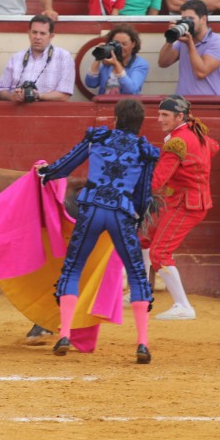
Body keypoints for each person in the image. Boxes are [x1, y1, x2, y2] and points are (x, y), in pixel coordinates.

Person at [39, 98, 159, 362]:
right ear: (140, 124)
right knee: (137, 275)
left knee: (72, 268)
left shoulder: (98, 139)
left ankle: (65, 334)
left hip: (91, 209)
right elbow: (143, 194)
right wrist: (136, 220)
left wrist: (44, 173)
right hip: (121, 213)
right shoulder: (143, 150)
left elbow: (65, 166)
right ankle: (142, 343)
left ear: (115, 119)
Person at [142, 94, 219, 320]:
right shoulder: (196, 133)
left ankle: (183, 305)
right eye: (159, 114)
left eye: (165, 115)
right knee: (145, 237)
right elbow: (214, 146)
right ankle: (141, 292)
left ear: (179, 116)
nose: (159, 119)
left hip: (185, 203)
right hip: (184, 200)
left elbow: (156, 182)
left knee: (160, 253)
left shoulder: (177, 142)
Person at [0, 14, 74, 102]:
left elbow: (64, 95)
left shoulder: (64, 57)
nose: (37, 37)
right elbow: (0, 92)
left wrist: (37, 95)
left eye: (42, 33)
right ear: (29, 33)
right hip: (18, 111)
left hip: (48, 113)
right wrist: (13, 96)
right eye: (34, 32)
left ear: (51, 36)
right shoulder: (16, 57)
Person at [158, 0, 220, 96]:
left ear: (203, 19)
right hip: (183, 103)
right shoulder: (183, 41)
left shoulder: (218, 42)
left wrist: (190, 44)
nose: (187, 23)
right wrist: (171, 39)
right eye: (184, 18)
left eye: (190, 19)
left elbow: (201, 72)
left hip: (209, 103)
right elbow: (163, 63)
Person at [84, 23, 149, 94]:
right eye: (116, 43)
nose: (120, 47)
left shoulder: (140, 64)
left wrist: (116, 64)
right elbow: (91, 84)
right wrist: (98, 57)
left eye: (124, 44)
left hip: (126, 104)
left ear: (133, 44)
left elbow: (131, 90)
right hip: (104, 104)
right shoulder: (108, 61)